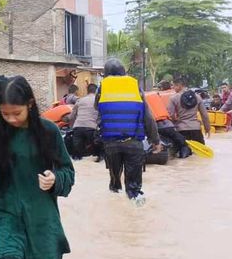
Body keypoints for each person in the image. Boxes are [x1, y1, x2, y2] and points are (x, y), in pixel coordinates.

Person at [0, 76, 74, 259]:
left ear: (30, 104)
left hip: (42, 218)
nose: (11, 119)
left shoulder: (49, 131)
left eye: (16, 113)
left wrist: (54, 179)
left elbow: (67, 172)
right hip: (7, 214)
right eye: (5, 113)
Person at [95, 58, 162, 206]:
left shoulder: (102, 88)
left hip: (111, 144)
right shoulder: (135, 87)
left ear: (106, 74)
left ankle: (115, 208)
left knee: (115, 184)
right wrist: (155, 141)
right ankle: (136, 209)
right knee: (134, 189)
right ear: (124, 72)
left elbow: (98, 112)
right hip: (134, 143)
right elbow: (148, 117)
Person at [145, 85, 191, 159]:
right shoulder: (162, 98)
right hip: (166, 125)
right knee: (182, 142)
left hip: (155, 127)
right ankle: (184, 152)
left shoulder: (144, 99)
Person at [168, 77, 211, 144]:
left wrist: (176, 120)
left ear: (179, 85)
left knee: (184, 153)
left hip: (181, 130)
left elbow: (170, 115)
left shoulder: (173, 98)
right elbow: (204, 115)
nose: (173, 88)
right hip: (196, 129)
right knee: (199, 152)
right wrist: (207, 128)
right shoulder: (197, 97)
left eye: (174, 85)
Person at [68, 83, 101, 161]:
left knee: (78, 157)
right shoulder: (99, 101)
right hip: (92, 128)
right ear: (96, 91)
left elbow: (71, 116)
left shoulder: (80, 100)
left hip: (78, 128)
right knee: (95, 155)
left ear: (87, 91)